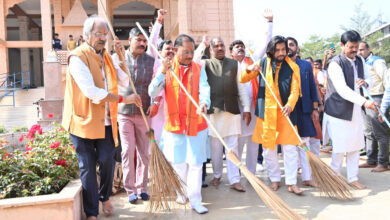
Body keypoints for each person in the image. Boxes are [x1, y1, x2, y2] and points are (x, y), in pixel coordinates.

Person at [62, 15, 141, 220]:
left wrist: (122, 61)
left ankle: (105, 196)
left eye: (105, 34)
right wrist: (124, 98)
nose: (103, 38)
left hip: (105, 121)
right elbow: (91, 91)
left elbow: (122, 79)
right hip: (82, 122)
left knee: (107, 160)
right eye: (98, 34)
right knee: (87, 167)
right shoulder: (77, 57)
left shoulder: (106, 55)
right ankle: (91, 212)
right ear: (86, 35)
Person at [148, 34, 210, 214]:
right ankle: (182, 193)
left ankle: (196, 200)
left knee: (196, 164)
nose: (190, 56)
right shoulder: (166, 68)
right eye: (186, 52)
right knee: (179, 163)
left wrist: (204, 102)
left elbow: (205, 88)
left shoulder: (199, 69)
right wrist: (162, 73)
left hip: (195, 124)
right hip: (175, 125)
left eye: (192, 52)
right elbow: (152, 90)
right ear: (175, 51)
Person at [240, 35, 303, 194]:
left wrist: (289, 105)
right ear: (271, 51)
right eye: (278, 50)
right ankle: (275, 179)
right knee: (269, 149)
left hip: (286, 114)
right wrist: (250, 69)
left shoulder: (293, 67)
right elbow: (243, 78)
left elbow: (295, 90)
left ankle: (291, 182)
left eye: (284, 50)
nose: (281, 53)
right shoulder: (262, 63)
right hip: (266, 115)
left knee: (289, 149)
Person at [322, 30, 377, 189]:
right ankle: (334, 178)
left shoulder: (360, 59)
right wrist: (364, 102)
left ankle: (352, 178)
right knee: (339, 147)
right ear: (342, 45)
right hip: (338, 111)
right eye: (351, 47)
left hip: (355, 110)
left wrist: (366, 83)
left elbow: (370, 79)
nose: (354, 50)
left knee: (355, 144)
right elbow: (342, 89)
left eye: (356, 47)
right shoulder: (335, 63)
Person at [202, 37, 250, 192]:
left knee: (233, 148)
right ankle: (217, 175)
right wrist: (202, 45)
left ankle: (234, 179)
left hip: (232, 112)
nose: (219, 48)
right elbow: (194, 60)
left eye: (221, 45)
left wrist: (247, 108)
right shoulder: (205, 64)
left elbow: (241, 87)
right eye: (215, 46)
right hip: (214, 113)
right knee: (215, 149)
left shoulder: (234, 64)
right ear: (211, 49)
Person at [229, 9, 273, 174]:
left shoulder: (253, 61)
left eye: (242, 47)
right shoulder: (228, 65)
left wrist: (269, 22)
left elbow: (267, 43)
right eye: (236, 47)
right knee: (238, 143)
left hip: (254, 108)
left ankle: (252, 174)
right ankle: (238, 174)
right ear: (231, 52)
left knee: (254, 143)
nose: (240, 49)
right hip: (236, 111)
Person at [117, 27, 156, 204]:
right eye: (138, 40)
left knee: (144, 153)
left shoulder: (151, 60)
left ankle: (142, 188)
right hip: (124, 113)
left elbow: (157, 83)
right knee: (127, 151)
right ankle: (130, 189)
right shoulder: (119, 58)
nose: (142, 43)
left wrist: (155, 102)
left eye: (144, 41)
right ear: (130, 40)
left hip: (143, 113)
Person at [287, 37, 318, 187]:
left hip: (304, 109)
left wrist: (315, 108)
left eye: (292, 44)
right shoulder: (282, 65)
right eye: (286, 45)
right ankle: (290, 180)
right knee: (289, 147)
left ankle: (307, 177)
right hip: (288, 110)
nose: (289, 47)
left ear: (297, 48)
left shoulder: (306, 65)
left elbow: (312, 86)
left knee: (304, 144)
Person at [357, 41, 389, 172]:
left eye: (361, 50)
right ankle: (371, 160)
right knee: (368, 132)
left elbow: (387, 83)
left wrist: (384, 105)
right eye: (357, 50)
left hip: (376, 98)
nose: (359, 52)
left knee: (380, 133)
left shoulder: (377, 62)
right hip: (364, 100)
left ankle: (383, 162)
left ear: (368, 49)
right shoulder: (360, 63)